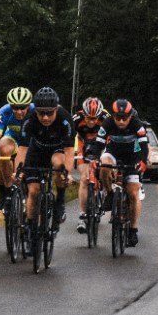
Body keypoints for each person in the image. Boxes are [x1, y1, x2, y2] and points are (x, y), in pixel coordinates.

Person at [9, 86, 74, 235]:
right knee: (33, 191)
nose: (45, 118)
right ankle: (31, 228)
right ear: (35, 111)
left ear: (56, 109)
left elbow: (69, 150)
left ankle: (60, 200)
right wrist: (17, 171)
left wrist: (68, 173)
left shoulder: (65, 118)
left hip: (57, 150)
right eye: (41, 113)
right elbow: (23, 149)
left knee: (59, 165)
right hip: (36, 151)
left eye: (49, 113)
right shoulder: (29, 119)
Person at [94, 98, 151, 246]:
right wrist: (95, 158)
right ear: (113, 116)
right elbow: (99, 143)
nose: (121, 121)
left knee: (133, 193)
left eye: (124, 118)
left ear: (130, 116)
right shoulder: (107, 123)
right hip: (113, 153)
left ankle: (133, 230)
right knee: (104, 166)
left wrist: (143, 162)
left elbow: (144, 146)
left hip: (132, 156)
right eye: (117, 118)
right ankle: (110, 194)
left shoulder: (137, 124)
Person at [0, 86, 33, 209]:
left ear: (28, 105)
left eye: (22, 107)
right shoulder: (4, 111)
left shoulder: (35, 111)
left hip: (30, 142)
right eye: (15, 108)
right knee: (3, 147)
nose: (19, 111)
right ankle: (6, 190)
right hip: (13, 139)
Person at [72, 96, 106, 232]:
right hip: (83, 144)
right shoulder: (76, 119)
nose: (92, 122)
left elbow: (112, 137)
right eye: (88, 118)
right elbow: (68, 136)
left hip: (101, 144)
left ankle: (102, 190)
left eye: (94, 118)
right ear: (83, 114)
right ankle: (82, 215)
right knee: (84, 179)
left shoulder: (106, 119)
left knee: (105, 169)